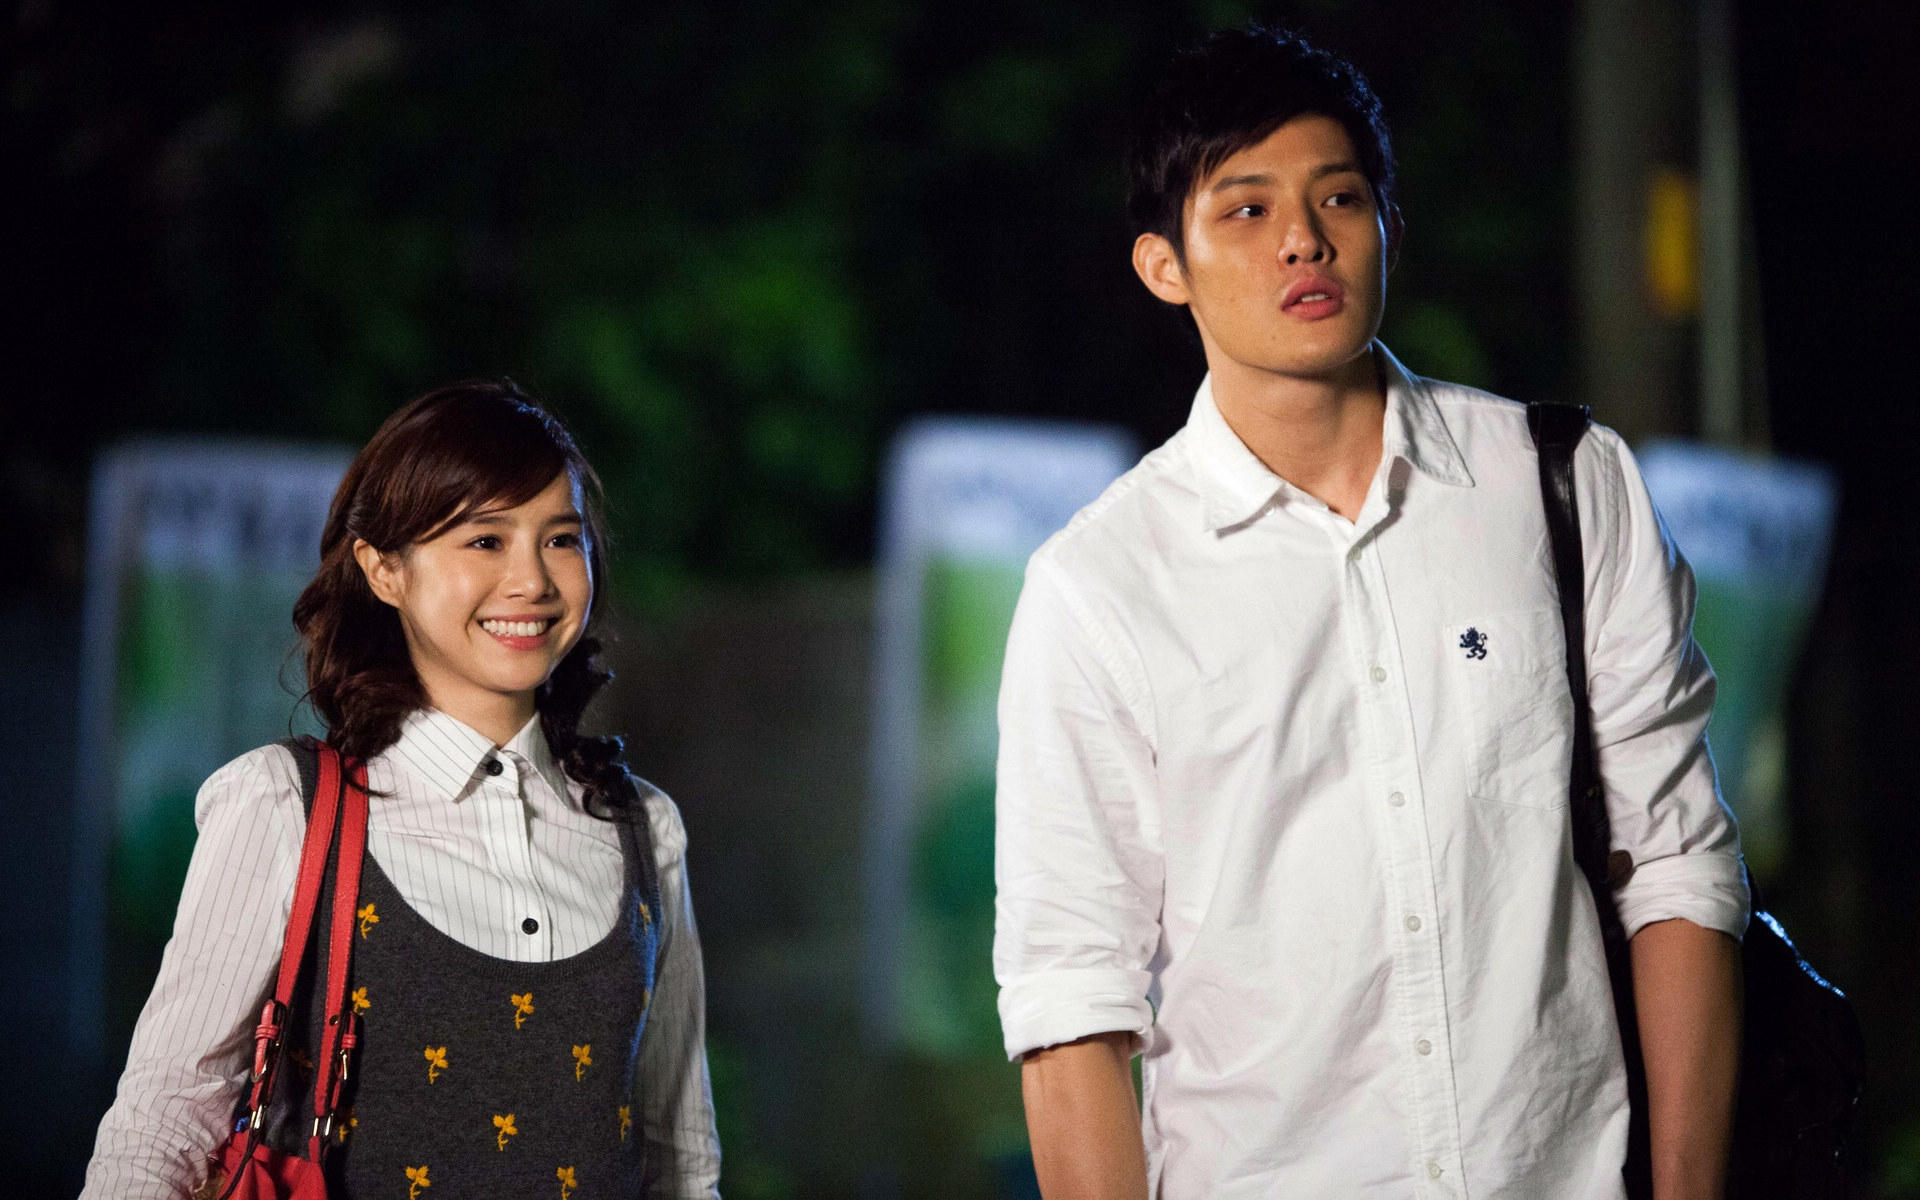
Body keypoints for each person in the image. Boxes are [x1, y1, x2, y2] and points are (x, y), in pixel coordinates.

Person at [993, 26, 1747, 1200]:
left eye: (1338, 197)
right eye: (1247, 210)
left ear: (1389, 223)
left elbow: (1678, 863)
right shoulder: (1100, 587)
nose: (1303, 238)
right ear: (1164, 265)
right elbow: (1070, 999)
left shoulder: (1559, 483)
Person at [82, 381, 721, 1198]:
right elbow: (163, 1121)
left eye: (561, 539)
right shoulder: (283, 806)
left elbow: (681, 1158)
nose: (532, 580)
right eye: (485, 540)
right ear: (384, 569)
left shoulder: (645, 828)